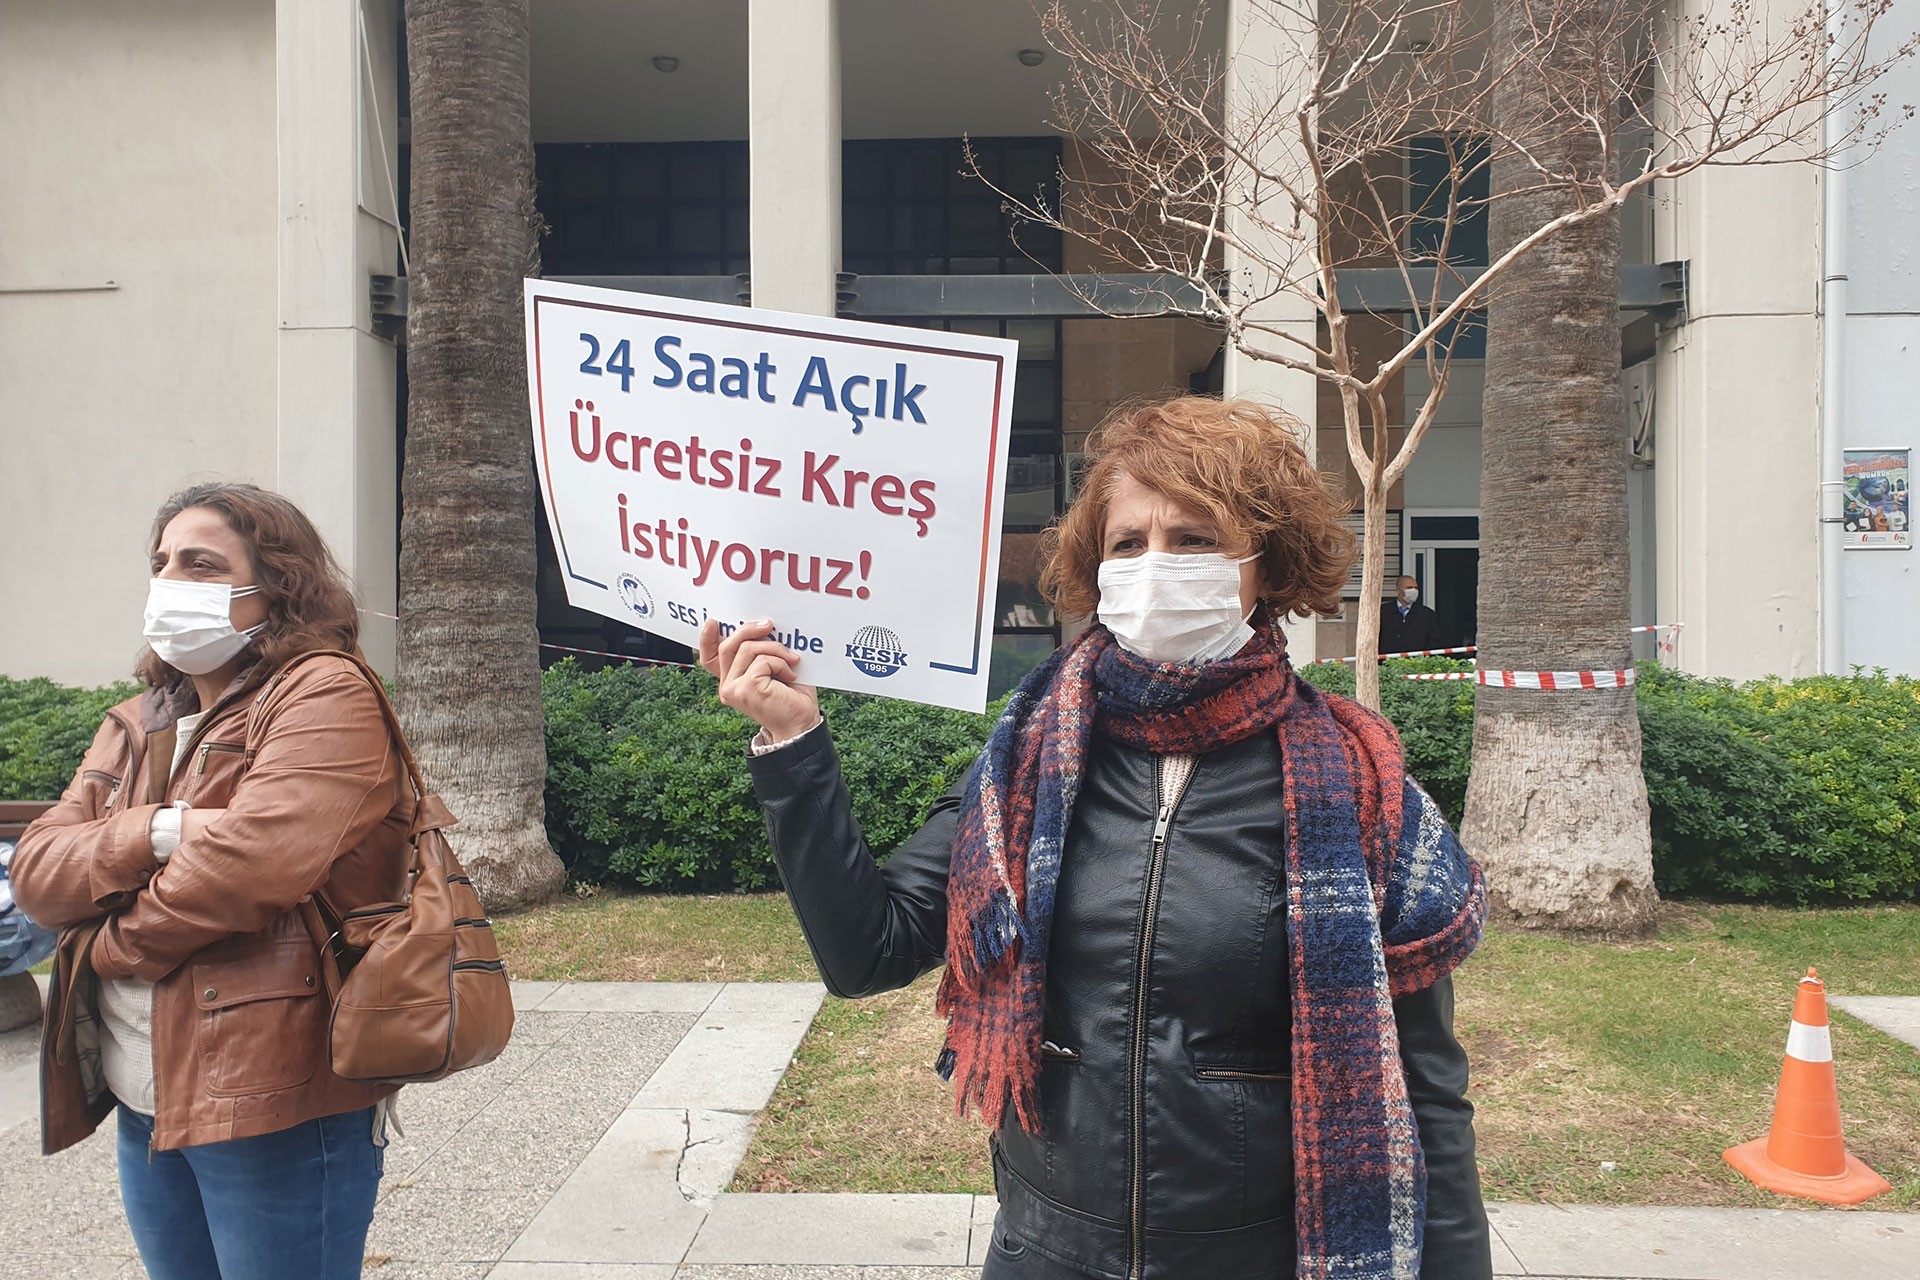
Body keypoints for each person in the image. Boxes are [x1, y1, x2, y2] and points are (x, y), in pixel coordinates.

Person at [702, 397, 1491, 1280]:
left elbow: (1426, 1093)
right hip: (1047, 1253)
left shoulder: (1358, 786)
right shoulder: (1028, 761)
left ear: (1264, 564)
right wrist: (791, 742)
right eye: (1128, 542)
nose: (1155, 565)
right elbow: (866, 954)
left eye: (1193, 539)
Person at [11, 483, 414, 1280]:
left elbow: (248, 871)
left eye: (200, 564)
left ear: (277, 585)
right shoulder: (139, 720)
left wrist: (101, 940)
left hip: (270, 1097)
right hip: (142, 1094)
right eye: (161, 564)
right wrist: (158, 830)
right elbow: (36, 871)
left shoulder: (323, 691)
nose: (170, 582)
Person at [1380, 574, 1445, 655]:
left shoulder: (1427, 614)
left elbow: (1434, 642)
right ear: (1398, 589)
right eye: (1409, 588)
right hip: (1387, 663)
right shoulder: (1382, 612)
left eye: (1416, 588)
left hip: (1417, 664)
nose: (1413, 591)